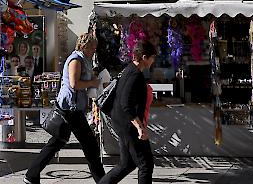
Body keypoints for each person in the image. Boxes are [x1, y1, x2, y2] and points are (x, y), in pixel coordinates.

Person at [24, 33, 105, 184]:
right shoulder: (75, 59)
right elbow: (75, 84)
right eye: (92, 47)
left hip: (73, 107)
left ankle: (31, 175)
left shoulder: (84, 59)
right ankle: (103, 180)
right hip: (70, 108)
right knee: (90, 145)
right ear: (84, 46)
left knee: (57, 142)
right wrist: (92, 83)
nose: (94, 50)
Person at [99, 41, 157, 184]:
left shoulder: (128, 70)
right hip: (129, 126)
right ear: (144, 57)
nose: (153, 60)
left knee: (127, 164)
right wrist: (139, 127)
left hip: (122, 123)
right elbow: (126, 104)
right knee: (146, 164)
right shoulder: (135, 75)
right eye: (152, 57)